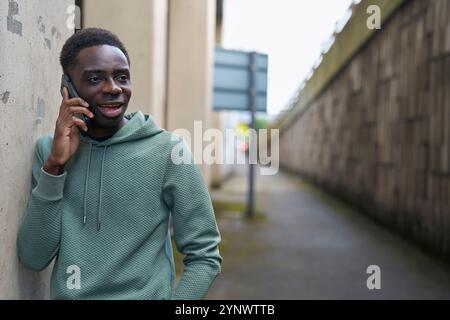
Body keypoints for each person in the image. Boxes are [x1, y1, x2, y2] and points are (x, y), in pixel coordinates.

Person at [16, 28, 222, 300]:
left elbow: (205, 255)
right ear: (68, 88)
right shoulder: (49, 152)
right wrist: (54, 167)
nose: (113, 88)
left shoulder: (168, 151)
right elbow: (34, 256)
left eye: (121, 77)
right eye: (94, 78)